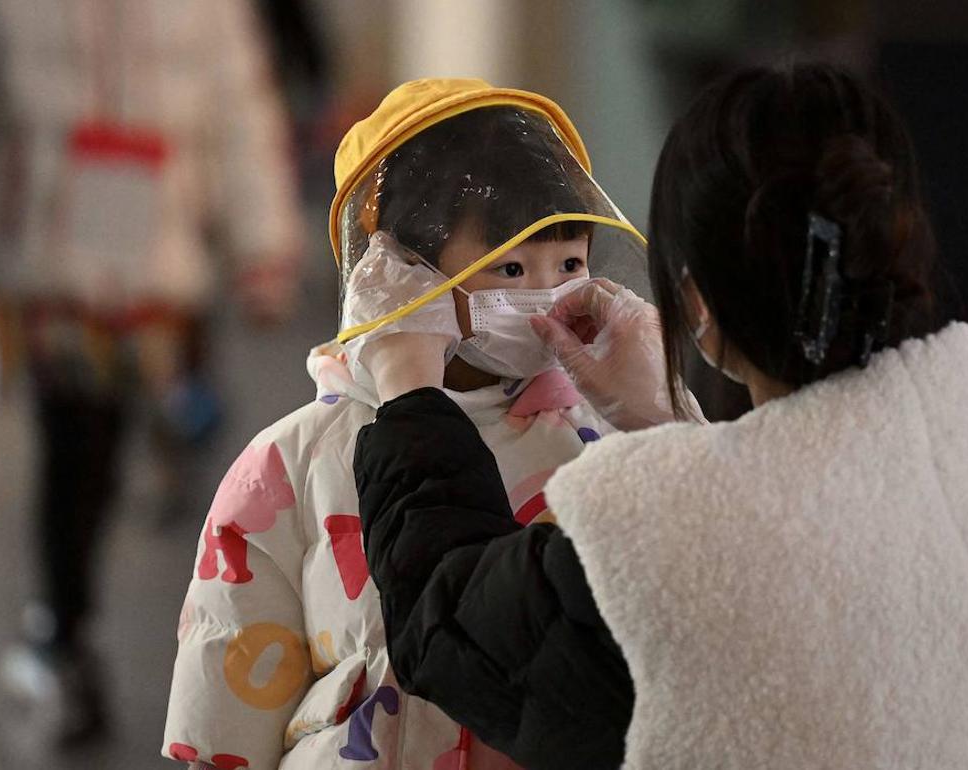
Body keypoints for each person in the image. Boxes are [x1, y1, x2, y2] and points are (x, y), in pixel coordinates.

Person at [353, 62, 968, 769]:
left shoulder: (660, 521)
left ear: (695, 305)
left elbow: (446, 627)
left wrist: (408, 386)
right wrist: (665, 419)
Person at [163, 78, 666, 769]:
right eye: (511, 266)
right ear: (403, 271)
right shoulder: (294, 463)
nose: (547, 296)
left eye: (570, 265)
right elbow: (227, 697)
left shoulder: (616, 441)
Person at [0, 0, 303, 746]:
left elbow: (239, 112)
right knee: (76, 444)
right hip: (55, 263)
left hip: (163, 261)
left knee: (150, 430)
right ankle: (65, 631)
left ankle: (142, 626)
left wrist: (263, 243)